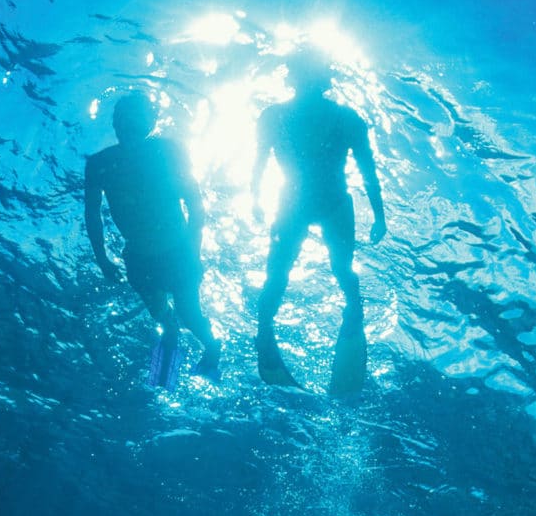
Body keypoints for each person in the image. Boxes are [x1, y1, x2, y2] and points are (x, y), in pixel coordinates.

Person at [251, 50, 386, 394]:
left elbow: (369, 170)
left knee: (333, 270)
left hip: (319, 203)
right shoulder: (332, 117)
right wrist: (253, 198)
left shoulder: (340, 119)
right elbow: (258, 162)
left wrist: (379, 214)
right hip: (311, 203)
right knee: (290, 273)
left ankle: (348, 313)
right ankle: (266, 327)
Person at [84, 92, 221, 381]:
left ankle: (212, 347)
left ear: (151, 122)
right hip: (138, 258)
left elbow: (195, 204)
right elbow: (92, 214)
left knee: (188, 312)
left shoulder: (169, 151)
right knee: (164, 319)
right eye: (124, 120)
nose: (130, 126)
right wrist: (102, 260)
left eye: (138, 119)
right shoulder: (98, 164)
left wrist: (194, 255)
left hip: (178, 251)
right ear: (115, 123)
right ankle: (163, 376)